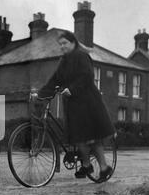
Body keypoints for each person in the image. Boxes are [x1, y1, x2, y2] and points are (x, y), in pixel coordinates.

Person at [37, 30, 115, 180]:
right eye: (60, 44)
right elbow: (55, 79)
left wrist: (71, 89)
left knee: (91, 138)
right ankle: (86, 165)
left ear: (73, 43)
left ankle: (104, 168)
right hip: (74, 104)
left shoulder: (81, 56)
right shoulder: (64, 61)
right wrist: (40, 94)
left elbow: (87, 76)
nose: (62, 47)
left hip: (88, 102)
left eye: (64, 43)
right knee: (79, 137)